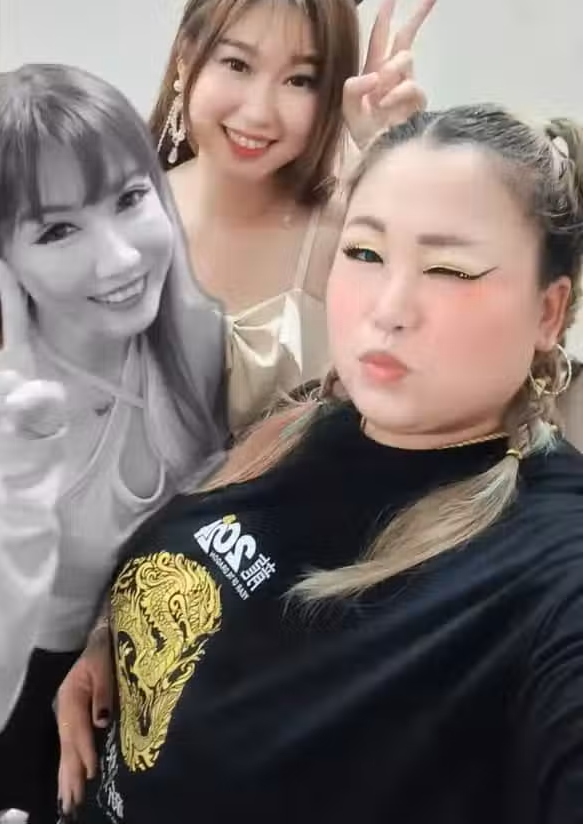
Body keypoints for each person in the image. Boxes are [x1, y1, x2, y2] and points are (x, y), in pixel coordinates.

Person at [58, 105, 583, 823]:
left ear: (548, 312)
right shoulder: (308, 419)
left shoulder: (551, 565)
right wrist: (114, 648)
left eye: (449, 268)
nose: (388, 309)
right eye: (364, 253)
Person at [0, 0, 436, 441]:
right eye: (237, 64)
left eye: (300, 80)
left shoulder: (348, 236)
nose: (259, 111)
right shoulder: (99, 212)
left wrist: (387, 151)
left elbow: (431, 361)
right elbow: (3, 356)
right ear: (187, 60)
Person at [0, 62, 228, 824]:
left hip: (153, 674)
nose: (122, 258)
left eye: (130, 198)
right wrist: (17, 487)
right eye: (57, 229)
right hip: (19, 693)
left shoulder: (197, 334)